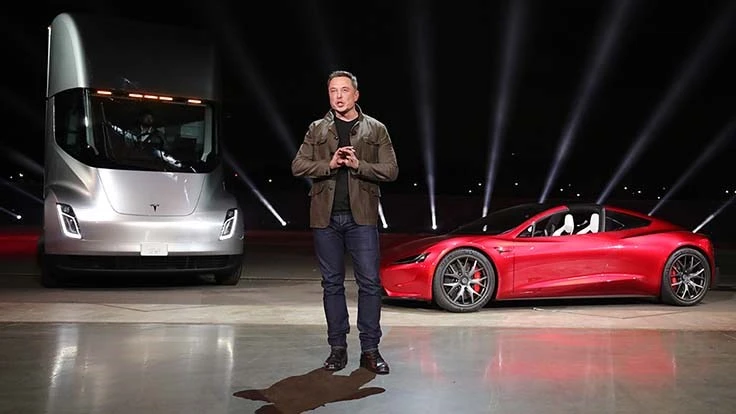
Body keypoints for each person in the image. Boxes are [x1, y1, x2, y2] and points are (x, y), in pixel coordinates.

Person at [291, 70, 399, 375]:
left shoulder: (375, 129)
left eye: (344, 90)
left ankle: (370, 350)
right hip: (325, 218)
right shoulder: (317, 128)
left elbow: (391, 170)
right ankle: (337, 349)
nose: (338, 96)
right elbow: (298, 165)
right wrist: (329, 163)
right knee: (332, 284)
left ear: (356, 95)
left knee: (370, 283)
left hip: (361, 217)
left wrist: (358, 164)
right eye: (333, 91)